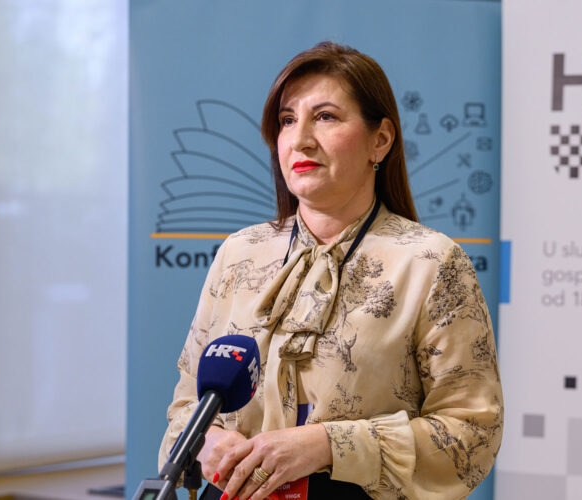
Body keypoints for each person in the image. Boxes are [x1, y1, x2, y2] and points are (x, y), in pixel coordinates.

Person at [159, 41, 503, 500]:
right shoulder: (239, 253)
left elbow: (471, 434)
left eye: (325, 117)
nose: (300, 139)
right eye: (287, 120)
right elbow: (186, 405)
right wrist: (207, 443)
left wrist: (328, 445)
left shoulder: (431, 262)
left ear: (380, 140)